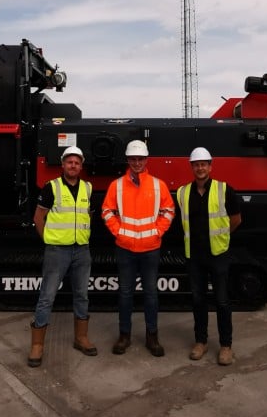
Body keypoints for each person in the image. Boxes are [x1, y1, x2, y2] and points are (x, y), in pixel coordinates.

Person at [102, 139, 175, 357]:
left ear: (146, 160)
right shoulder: (116, 185)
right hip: (125, 248)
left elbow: (168, 211)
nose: (136, 162)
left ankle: (152, 337)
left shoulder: (157, 185)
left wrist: (157, 231)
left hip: (151, 248)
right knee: (125, 294)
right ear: (128, 160)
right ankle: (124, 336)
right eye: (133, 159)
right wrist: (119, 232)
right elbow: (107, 211)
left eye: (140, 159)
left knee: (151, 294)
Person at [27, 145, 97, 368]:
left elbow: (90, 216)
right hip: (57, 251)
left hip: (81, 250)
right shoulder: (52, 188)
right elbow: (39, 217)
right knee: (47, 296)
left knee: (82, 295)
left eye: (77, 162)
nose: (73, 165)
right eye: (69, 162)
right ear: (63, 164)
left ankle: (81, 338)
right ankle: (37, 345)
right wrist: (48, 239)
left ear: (81, 166)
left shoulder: (88, 188)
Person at [174, 147, 242, 366]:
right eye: (196, 164)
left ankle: (226, 346)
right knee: (198, 300)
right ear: (192, 167)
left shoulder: (224, 190)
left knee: (222, 301)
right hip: (194, 256)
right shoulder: (183, 193)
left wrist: (221, 238)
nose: (200, 168)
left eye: (204, 164)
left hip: (218, 255)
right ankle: (200, 342)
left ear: (210, 167)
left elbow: (236, 219)